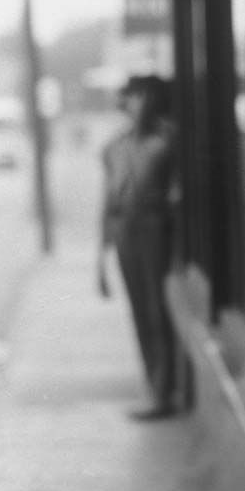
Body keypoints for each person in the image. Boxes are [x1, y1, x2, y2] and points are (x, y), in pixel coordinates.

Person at [98, 74, 178, 421]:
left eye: (143, 97)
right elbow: (107, 201)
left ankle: (162, 391)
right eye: (132, 96)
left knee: (156, 308)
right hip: (124, 231)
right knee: (140, 310)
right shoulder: (114, 147)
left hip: (153, 228)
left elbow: (171, 188)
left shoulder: (163, 142)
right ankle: (153, 385)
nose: (136, 103)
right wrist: (98, 260)